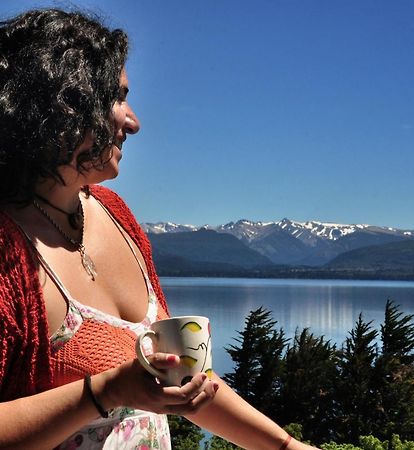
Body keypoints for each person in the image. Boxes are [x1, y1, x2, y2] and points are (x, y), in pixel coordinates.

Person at [0, 8, 319, 450]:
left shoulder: (117, 215)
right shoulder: (6, 249)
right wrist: (105, 392)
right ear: (60, 102)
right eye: (116, 97)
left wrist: (285, 446)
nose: (133, 122)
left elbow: (184, 376)